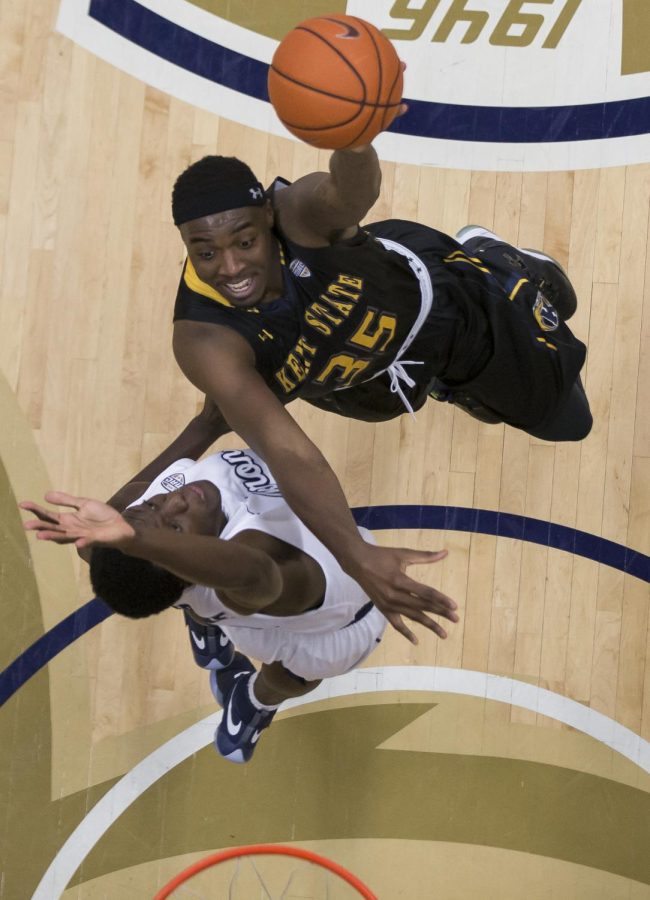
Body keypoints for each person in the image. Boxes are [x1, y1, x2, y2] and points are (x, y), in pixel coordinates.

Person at [168, 140, 591, 642]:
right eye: (206, 252)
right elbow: (284, 448)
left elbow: (351, 192)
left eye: (245, 242)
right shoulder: (203, 337)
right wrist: (356, 553)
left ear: (267, 216)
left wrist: (353, 138)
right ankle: (447, 383)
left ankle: (497, 264)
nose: (231, 268)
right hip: (358, 380)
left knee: (565, 419)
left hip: (438, 312)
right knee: (405, 403)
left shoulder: (299, 214)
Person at [20, 410, 458, 763]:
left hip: (207, 587)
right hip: (338, 626)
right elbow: (251, 572)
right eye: (174, 524)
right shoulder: (256, 570)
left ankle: (200, 620)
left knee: (177, 580)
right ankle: (253, 706)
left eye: (155, 506)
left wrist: (208, 421)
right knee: (293, 677)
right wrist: (144, 538)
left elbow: (107, 532)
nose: (176, 498)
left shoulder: (143, 517)